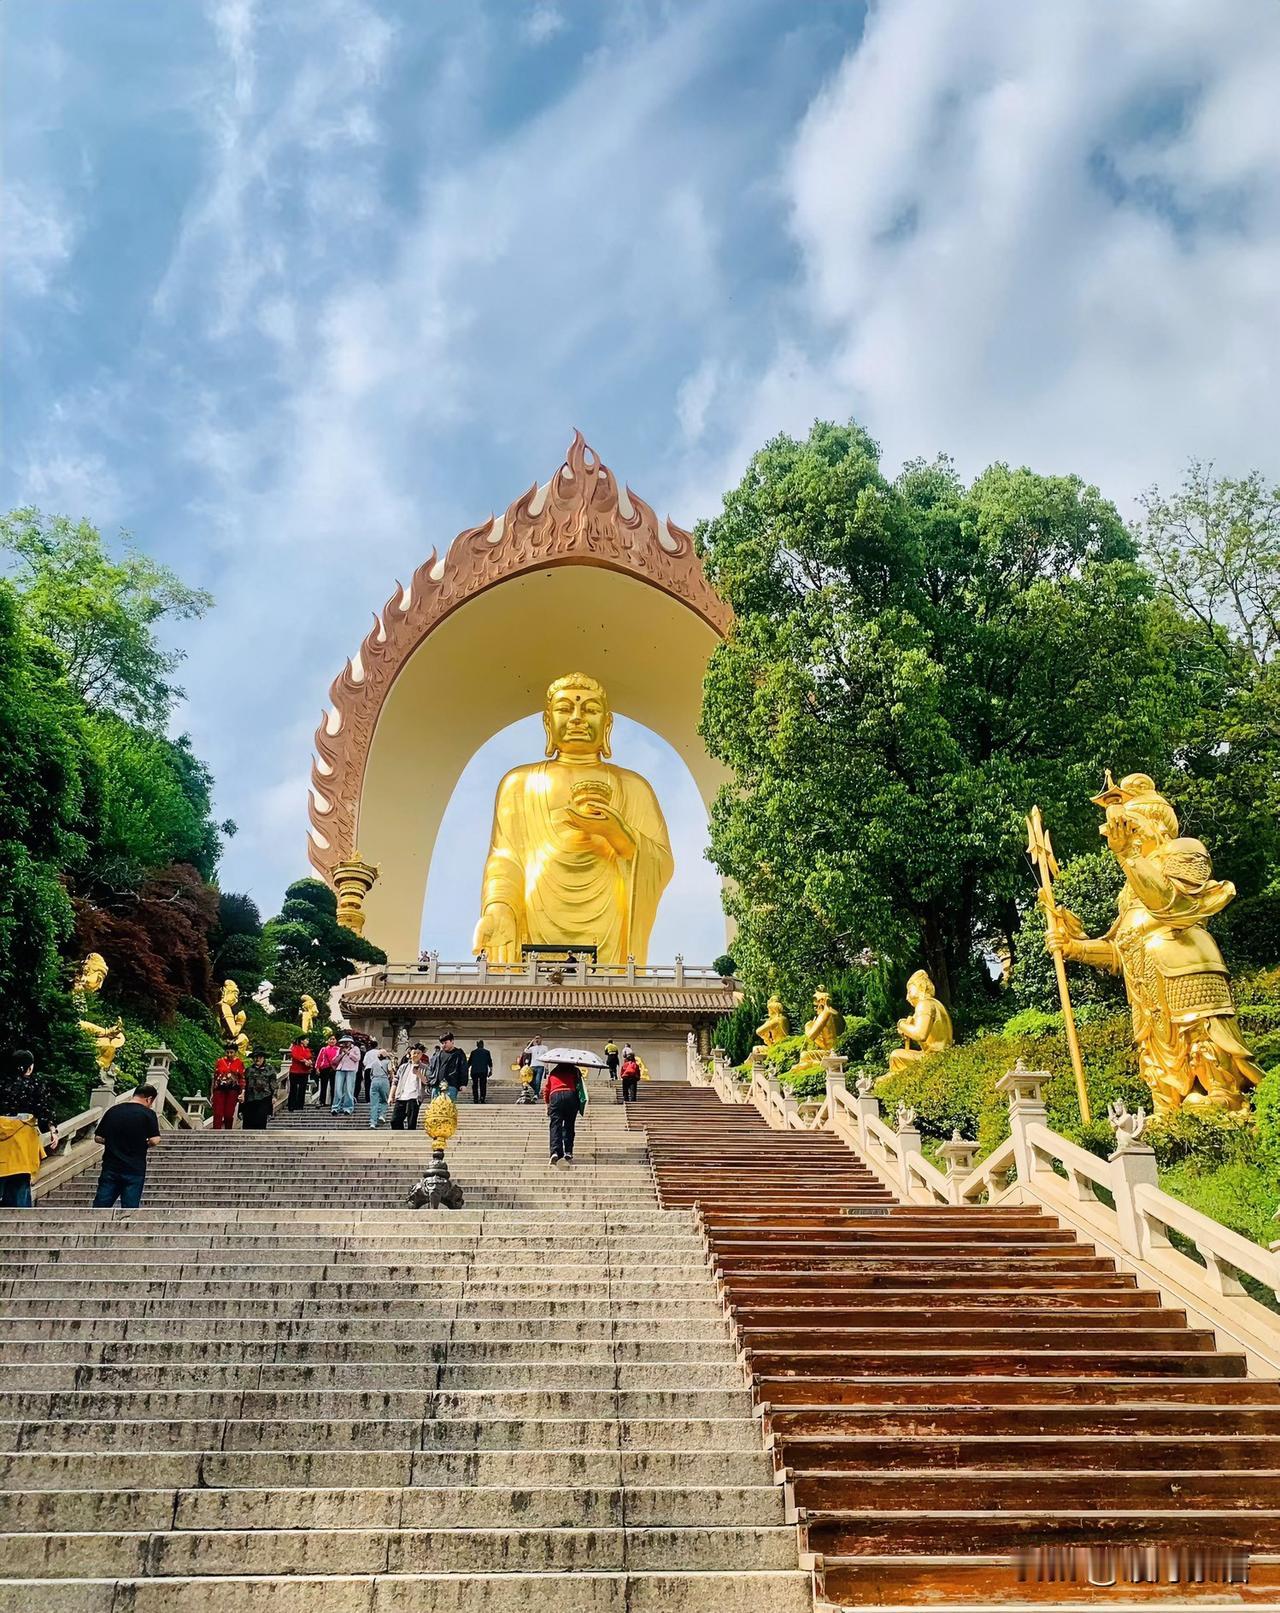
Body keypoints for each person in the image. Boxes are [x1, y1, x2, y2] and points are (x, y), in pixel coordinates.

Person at [0, 1049, 59, 1208]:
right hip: (22, 1142)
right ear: (30, 1067)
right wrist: (53, 1130)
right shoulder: (34, 1085)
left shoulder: (3, 1084)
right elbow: (44, 1109)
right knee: (20, 1184)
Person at [91, 1085, 161, 1208]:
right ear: (149, 1099)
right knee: (129, 1208)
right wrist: (141, 1144)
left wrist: (114, 1142)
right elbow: (155, 1140)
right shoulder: (148, 1114)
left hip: (111, 1166)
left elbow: (98, 1137)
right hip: (134, 1167)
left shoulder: (113, 1111)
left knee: (101, 1206)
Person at [544, 1061, 582, 1168]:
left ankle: (555, 1152)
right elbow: (580, 1087)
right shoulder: (574, 1071)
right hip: (570, 1095)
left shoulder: (553, 1072)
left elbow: (546, 1089)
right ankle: (568, 1151)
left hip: (555, 1095)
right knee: (569, 1124)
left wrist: (547, 1103)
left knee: (555, 1125)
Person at [390, 1044, 427, 1130]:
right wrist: (391, 1096)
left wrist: (418, 1073)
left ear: (421, 1055)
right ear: (410, 1054)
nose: (416, 1055)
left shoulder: (424, 1068)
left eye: (418, 1053)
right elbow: (395, 1081)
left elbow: (426, 1082)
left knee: (411, 1122)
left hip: (414, 1097)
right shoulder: (403, 1067)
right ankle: (400, 1136)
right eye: (414, 1053)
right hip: (401, 1096)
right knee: (394, 1121)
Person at [211, 1043, 245, 1130]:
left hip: (233, 1090)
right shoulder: (220, 1062)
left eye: (231, 1052)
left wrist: (242, 1092)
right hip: (219, 1089)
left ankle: (228, 1131)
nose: (229, 1054)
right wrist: (212, 1092)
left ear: (235, 1052)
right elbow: (215, 1077)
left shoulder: (239, 1063)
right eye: (227, 1052)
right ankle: (215, 1132)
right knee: (217, 1113)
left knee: (229, 1114)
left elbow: (242, 1078)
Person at [428, 1032, 468, 1102]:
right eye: (442, 1043)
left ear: (452, 1041)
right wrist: (430, 1081)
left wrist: (463, 1084)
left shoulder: (459, 1054)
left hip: (451, 1085)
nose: (443, 1045)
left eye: (445, 1043)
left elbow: (463, 1069)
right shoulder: (437, 1055)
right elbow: (431, 1068)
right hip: (436, 1085)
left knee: (448, 1107)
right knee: (435, 1107)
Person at [240, 1049, 274, 1130]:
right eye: (255, 1057)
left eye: (260, 1057)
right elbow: (244, 1083)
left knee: (261, 1121)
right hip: (250, 1099)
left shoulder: (270, 1069)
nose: (257, 1059)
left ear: (263, 1058)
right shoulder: (248, 1070)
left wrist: (274, 1096)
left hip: (264, 1098)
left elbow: (273, 1084)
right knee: (248, 1122)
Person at [333, 1035, 360, 1116]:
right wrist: (342, 1053)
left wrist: (348, 1053)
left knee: (349, 1089)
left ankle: (348, 1108)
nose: (345, 1043)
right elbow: (335, 1060)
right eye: (344, 1042)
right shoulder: (340, 1049)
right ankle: (335, 1107)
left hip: (351, 1070)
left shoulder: (355, 1048)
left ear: (351, 1042)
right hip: (340, 1069)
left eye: (347, 1042)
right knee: (338, 1089)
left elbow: (357, 1058)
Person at [366, 1046, 392, 1129]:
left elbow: (371, 1074)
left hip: (374, 1081)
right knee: (384, 1100)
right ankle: (382, 1115)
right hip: (384, 1080)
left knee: (374, 1103)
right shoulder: (388, 1062)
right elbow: (390, 1071)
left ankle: (373, 1122)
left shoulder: (374, 1063)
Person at [313, 1032, 340, 1108]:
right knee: (323, 1086)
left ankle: (333, 1102)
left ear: (336, 1040)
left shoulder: (338, 1049)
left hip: (334, 1069)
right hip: (324, 1068)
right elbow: (319, 1059)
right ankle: (322, 1101)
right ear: (327, 1040)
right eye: (330, 1039)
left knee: (333, 1086)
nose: (332, 1041)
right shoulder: (324, 1049)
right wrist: (317, 1068)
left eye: (333, 1039)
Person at [287, 1037, 313, 1110]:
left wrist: (309, 1061)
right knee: (293, 1088)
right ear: (302, 1041)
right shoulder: (295, 1047)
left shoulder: (307, 1049)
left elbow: (310, 1057)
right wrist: (304, 1060)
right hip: (295, 1071)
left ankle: (300, 1105)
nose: (307, 1041)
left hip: (304, 1071)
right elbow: (296, 1056)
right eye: (306, 1040)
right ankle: (292, 1105)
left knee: (302, 1088)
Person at [468, 1039, 492, 1104]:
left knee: (475, 1085)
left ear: (477, 1045)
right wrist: (491, 1071)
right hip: (483, 1071)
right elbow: (490, 1062)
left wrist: (465, 1070)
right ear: (483, 1045)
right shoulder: (487, 1052)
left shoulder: (473, 1052)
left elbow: (469, 1062)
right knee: (483, 1085)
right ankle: (482, 1098)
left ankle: (475, 1099)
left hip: (475, 1071)